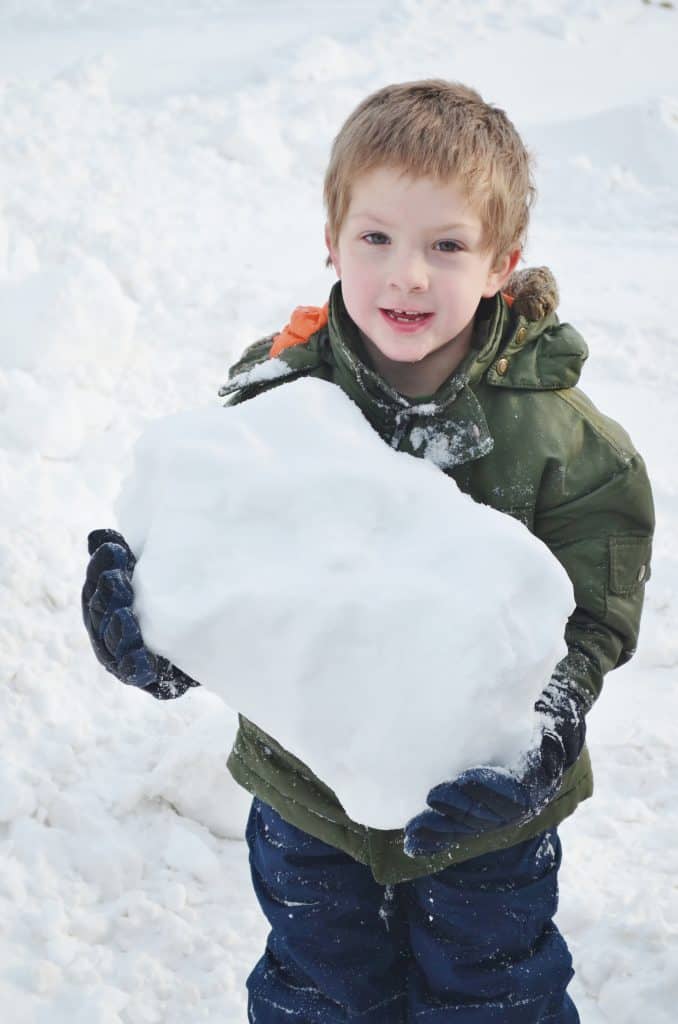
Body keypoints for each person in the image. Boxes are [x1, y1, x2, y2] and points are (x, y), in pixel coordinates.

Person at [82, 80, 654, 1022]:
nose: (407, 276)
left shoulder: (565, 442)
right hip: (305, 798)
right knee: (319, 992)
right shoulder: (276, 400)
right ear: (332, 239)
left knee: (493, 992)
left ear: (503, 262)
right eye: (377, 238)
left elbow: (595, 608)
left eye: (447, 245)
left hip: (482, 816)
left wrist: (543, 735)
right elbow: (223, 564)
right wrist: (153, 626)